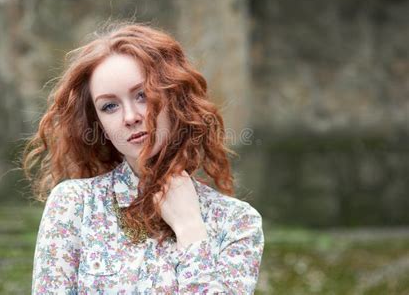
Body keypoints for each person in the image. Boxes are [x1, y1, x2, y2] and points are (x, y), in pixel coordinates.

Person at [23, 22, 264, 294]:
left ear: (175, 98)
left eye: (143, 95)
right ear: (98, 122)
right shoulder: (74, 205)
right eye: (109, 106)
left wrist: (190, 230)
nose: (130, 117)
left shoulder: (237, 222)